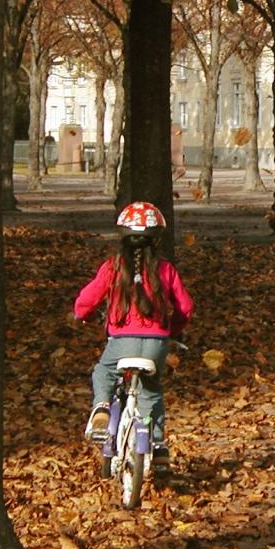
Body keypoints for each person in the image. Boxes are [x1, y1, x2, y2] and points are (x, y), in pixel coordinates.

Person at [74, 201, 194, 474]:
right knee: (151, 391)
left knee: (103, 371)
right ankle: (160, 446)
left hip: (120, 341)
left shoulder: (113, 267)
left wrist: (82, 314)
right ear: (158, 238)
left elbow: (87, 299)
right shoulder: (165, 269)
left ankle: (102, 407)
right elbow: (185, 306)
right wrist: (174, 328)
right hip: (156, 345)